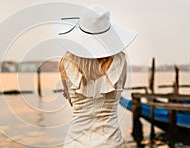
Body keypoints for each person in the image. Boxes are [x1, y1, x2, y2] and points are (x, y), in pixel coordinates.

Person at [57, 4, 137, 147]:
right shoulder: (120, 60)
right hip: (111, 142)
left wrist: (69, 94)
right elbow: (118, 93)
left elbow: (72, 102)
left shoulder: (65, 62)